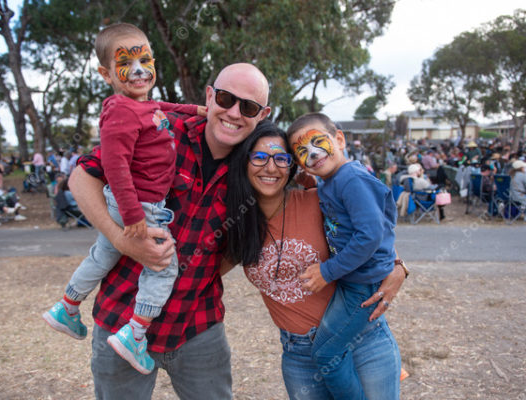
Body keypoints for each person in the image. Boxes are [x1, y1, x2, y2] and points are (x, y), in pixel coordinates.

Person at [67, 62, 401, 399]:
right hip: (122, 319)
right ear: (210, 96)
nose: (234, 113)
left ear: (263, 114)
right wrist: (121, 240)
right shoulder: (161, 129)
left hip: (197, 328)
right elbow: (81, 177)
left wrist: (397, 265)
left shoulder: (267, 176)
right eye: (226, 98)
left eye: (249, 107)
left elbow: (360, 224)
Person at [42, 23, 204, 375]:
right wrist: (133, 218)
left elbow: (167, 105)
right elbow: (114, 169)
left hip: (135, 204)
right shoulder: (119, 111)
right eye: (126, 64)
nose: (139, 70)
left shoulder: (142, 105)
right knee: (164, 266)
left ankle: (67, 307)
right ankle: (135, 333)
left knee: (102, 254)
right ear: (106, 74)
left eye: (145, 60)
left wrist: (198, 111)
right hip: (140, 205)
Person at [224, 120, 405, 399]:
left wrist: (399, 266)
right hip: (299, 354)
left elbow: (372, 233)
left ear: (291, 166)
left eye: (281, 159)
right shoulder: (237, 225)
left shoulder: (318, 199)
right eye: (259, 157)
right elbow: (202, 272)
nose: (270, 167)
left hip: (363, 340)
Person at [282, 113, 399, 399]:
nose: (313, 154)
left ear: (339, 139)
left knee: (326, 354)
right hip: (355, 280)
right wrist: (308, 181)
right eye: (302, 152)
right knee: (328, 351)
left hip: (362, 284)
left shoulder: (351, 178)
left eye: (318, 142)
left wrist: (327, 271)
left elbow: (370, 235)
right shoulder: (332, 179)